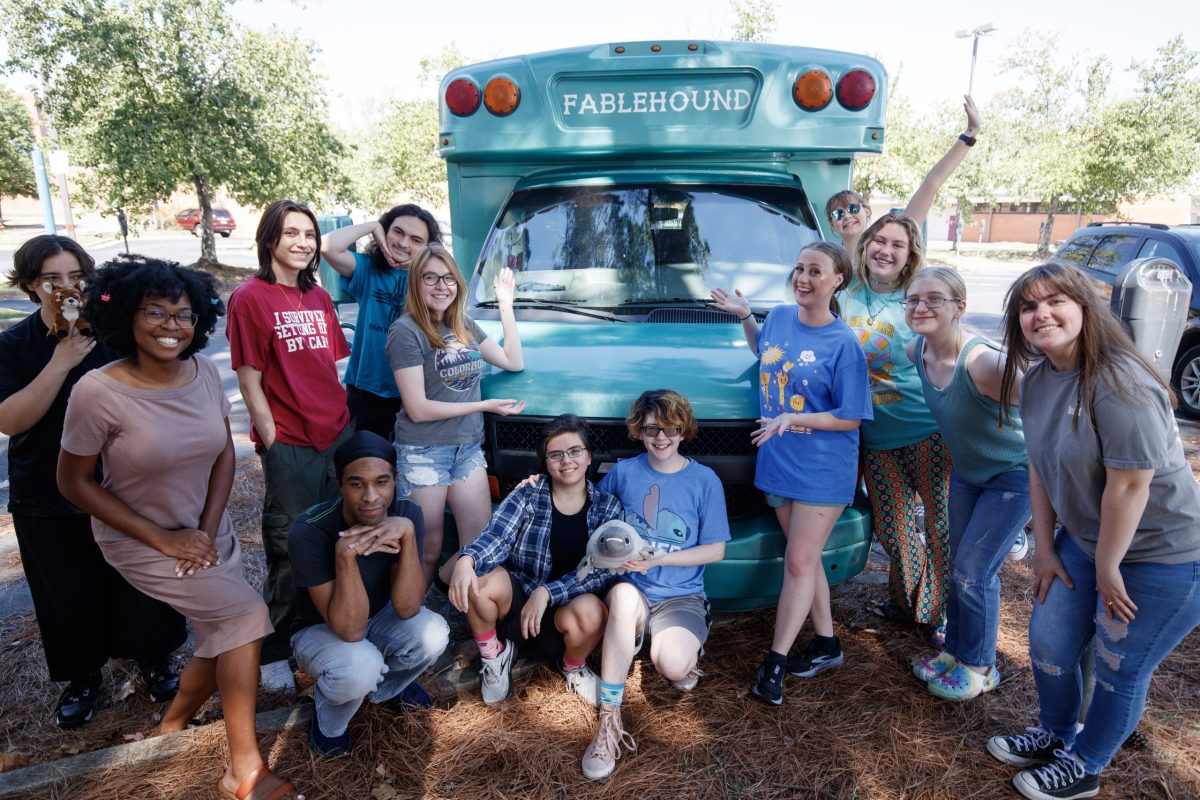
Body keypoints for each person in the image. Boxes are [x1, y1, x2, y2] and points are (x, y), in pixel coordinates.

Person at [58, 256, 299, 800]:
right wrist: (166, 539)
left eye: (183, 315)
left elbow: (223, 458)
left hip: (203, 535)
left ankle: (172, 725)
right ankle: (243, 771)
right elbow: (74, 484)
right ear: (125, 316)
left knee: (223, 634)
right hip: (140, 540)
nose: (171, 325)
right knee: (245, 614)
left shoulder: (204, 373)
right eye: (156, 313)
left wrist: (207, 533)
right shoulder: (97, 392)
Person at [986, 263, 1200, 800]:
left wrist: (1107, 568)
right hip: (1084, 546)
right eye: (1029, 307)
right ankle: (1055, 733)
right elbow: (1038, 464)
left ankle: (1085, 765)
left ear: (1085, 307)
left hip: (1162, 556)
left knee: (1116, 665)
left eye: (1055, 301)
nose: (1042, 315)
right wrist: (1044, 547)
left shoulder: (1118, 379)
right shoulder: (1038, 380)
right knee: (1050, 642)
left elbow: (1129, 487)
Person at [0, 237, 185, 728]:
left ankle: (155, 659)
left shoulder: (112, 335)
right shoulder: (14, 345)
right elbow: (12, 421)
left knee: (140, 581)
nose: (66, 288)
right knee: (66, 590)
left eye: (77, 277)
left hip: (123, 485)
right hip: (45, 491)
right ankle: (83, 677)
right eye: (51, 279)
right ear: (28, 286)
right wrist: (60, 361)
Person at [713, 242, 872, 706]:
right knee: (807, 559)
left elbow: (852, 416)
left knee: (799, 562)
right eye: (799, 269)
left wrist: (793, 420)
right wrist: (746, 316)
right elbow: (765, 351)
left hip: (823, 467)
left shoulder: (844, 343)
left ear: (838, 280)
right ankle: (827, 643)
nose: (803, 278)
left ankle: (775, 661)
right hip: (779, 461)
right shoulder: (780, 316)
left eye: (815, 271)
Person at [226, 199, 353, 692]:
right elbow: (249, 379)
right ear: (269, 240)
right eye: (292, 233)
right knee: (288, 546)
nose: (303, 242)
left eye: (310, 234)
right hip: (292, 443)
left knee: (338, 539)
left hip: (335, 434)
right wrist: (273, 439)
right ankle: (275, 649)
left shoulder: (318, 297)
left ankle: (328, 627)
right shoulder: (251, 298)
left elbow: (327, 366)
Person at [581, 389, 729, 781]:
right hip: (632, 589)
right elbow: (594, 513)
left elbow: (715, 550)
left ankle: (670, 643)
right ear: (639, 431)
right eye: (650, 429)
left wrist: (661, 558)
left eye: (669, 429)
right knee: (625, 598)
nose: (660, 438)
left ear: (684, 430)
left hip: (681, 594)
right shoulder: (625, 473)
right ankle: (609, 721)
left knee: (674, 667)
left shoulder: (704, 480)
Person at [903, 267, 1031, 701]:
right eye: (913, 298)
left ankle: (980, 666)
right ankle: (955, 653)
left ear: (960, 307)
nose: (921, 306)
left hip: (1014, 475)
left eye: (934, 298)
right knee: (958, 565)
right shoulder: (915, 350)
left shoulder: (983, 363)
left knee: (976, 572)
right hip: (967, 474)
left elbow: (1047, 403)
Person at [289, 431, 449, 758]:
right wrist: (344, 556)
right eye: (357, 483)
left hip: (379, 617)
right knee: (359, 665)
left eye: (382, 482)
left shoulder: (407, 513)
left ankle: (388, 689)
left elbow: (406, 608)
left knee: (434, 632)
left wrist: (405, 534)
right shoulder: (310, 530)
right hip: (319, 630)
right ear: (340, 484)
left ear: (395, 480)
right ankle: (330, 723)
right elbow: (349, 631)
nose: (371, 496)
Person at [448, 415, 624, 706]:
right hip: (516, 608)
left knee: (594, 611)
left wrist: (547, 593)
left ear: (589, 456)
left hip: (563, 617)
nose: (566, 460)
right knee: (476, 578)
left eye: (575, 451)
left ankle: (573, 665)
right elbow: (497, 536)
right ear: (545, 460)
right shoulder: (527, 495)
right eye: (555, 454)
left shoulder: (607, 507)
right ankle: (494, 654)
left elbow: (601, 571)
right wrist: (467, 559)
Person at [839, 211, 952, 647]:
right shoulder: (845, 295)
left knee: (941, 525)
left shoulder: (917, 298)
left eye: (897, 245)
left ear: (910, 255)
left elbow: (950, 350)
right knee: (893, 529)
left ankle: (936, 614)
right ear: (867, 245)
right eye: (879, 241)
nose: (886, 250)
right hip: (875, 438)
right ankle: (914, 604)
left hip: (929, 430)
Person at [386, 243, 525, 590]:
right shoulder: (405, 332)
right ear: (415, 284)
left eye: (448, 278)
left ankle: (449, 597)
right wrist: (482, 406)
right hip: (423, 452)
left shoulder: (462, 323)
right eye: (430, 278)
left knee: (477, 544)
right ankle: (412, 619)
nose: (440, 286)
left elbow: (513, 361)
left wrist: (506, 305)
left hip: (466, 450)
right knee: (428, 548)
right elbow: (417, 409)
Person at [320, 205, 442, 440]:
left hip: (415, 393)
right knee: (365, 466)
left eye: (416, 239)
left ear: (428, 247)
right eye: (397, 232)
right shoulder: (368, 269)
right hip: (366, 390)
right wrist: (373, 226)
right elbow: (326, 245)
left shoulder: (432, 280)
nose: (404, 243)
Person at [825, 96, 981, 256]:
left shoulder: (888, 245)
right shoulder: (830, 262)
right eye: (838, 214)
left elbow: (931, 184)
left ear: (867, 210)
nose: (847, 216)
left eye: (852, 208)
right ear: (832, 224)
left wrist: (970, 134)